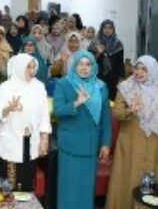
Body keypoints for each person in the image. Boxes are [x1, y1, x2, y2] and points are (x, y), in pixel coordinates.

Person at [106, 55, 158, 209]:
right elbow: (116, 113)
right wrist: (131, 109)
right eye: (137, 68)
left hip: (155, 142)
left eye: (144, 69)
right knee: (129, 177)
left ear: (153, 71)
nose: (139, 72)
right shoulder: (126, 87)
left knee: (151, 177)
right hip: (130, 140)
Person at [53, 51, 112, 209]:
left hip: (90, 145)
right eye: (80, 64)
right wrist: (76, 103)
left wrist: (106, 143)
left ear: (94, 67)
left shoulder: (101, 87)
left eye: (88, 64)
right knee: (69, 189)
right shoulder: (64, 84)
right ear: (74, 65)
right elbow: (58, 111)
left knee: (86, 189)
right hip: (70, 146)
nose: (84, 68)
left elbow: (106, 117)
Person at [0, 54, 51, 192]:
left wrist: (44, 139)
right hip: (11, 141)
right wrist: (9, 108)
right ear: (19, 67)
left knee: (27, 184)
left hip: (30, 141)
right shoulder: (5, 87)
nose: (32, 71)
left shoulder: (39, 86)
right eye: (28, 67)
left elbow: (44, 115)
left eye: (34, 67)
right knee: (7, 187)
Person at [89, 20, 125, 100]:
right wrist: (98, 53)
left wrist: (121, 78)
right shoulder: (95, 43)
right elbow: (89, 61)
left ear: (113, 29)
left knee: (111, 99)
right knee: (97, 98)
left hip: (113, 77)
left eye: (110, 28)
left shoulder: (118, 44)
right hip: (97, 75)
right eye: (105, 28)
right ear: (101, 29)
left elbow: (120, 62)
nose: (107, 30)